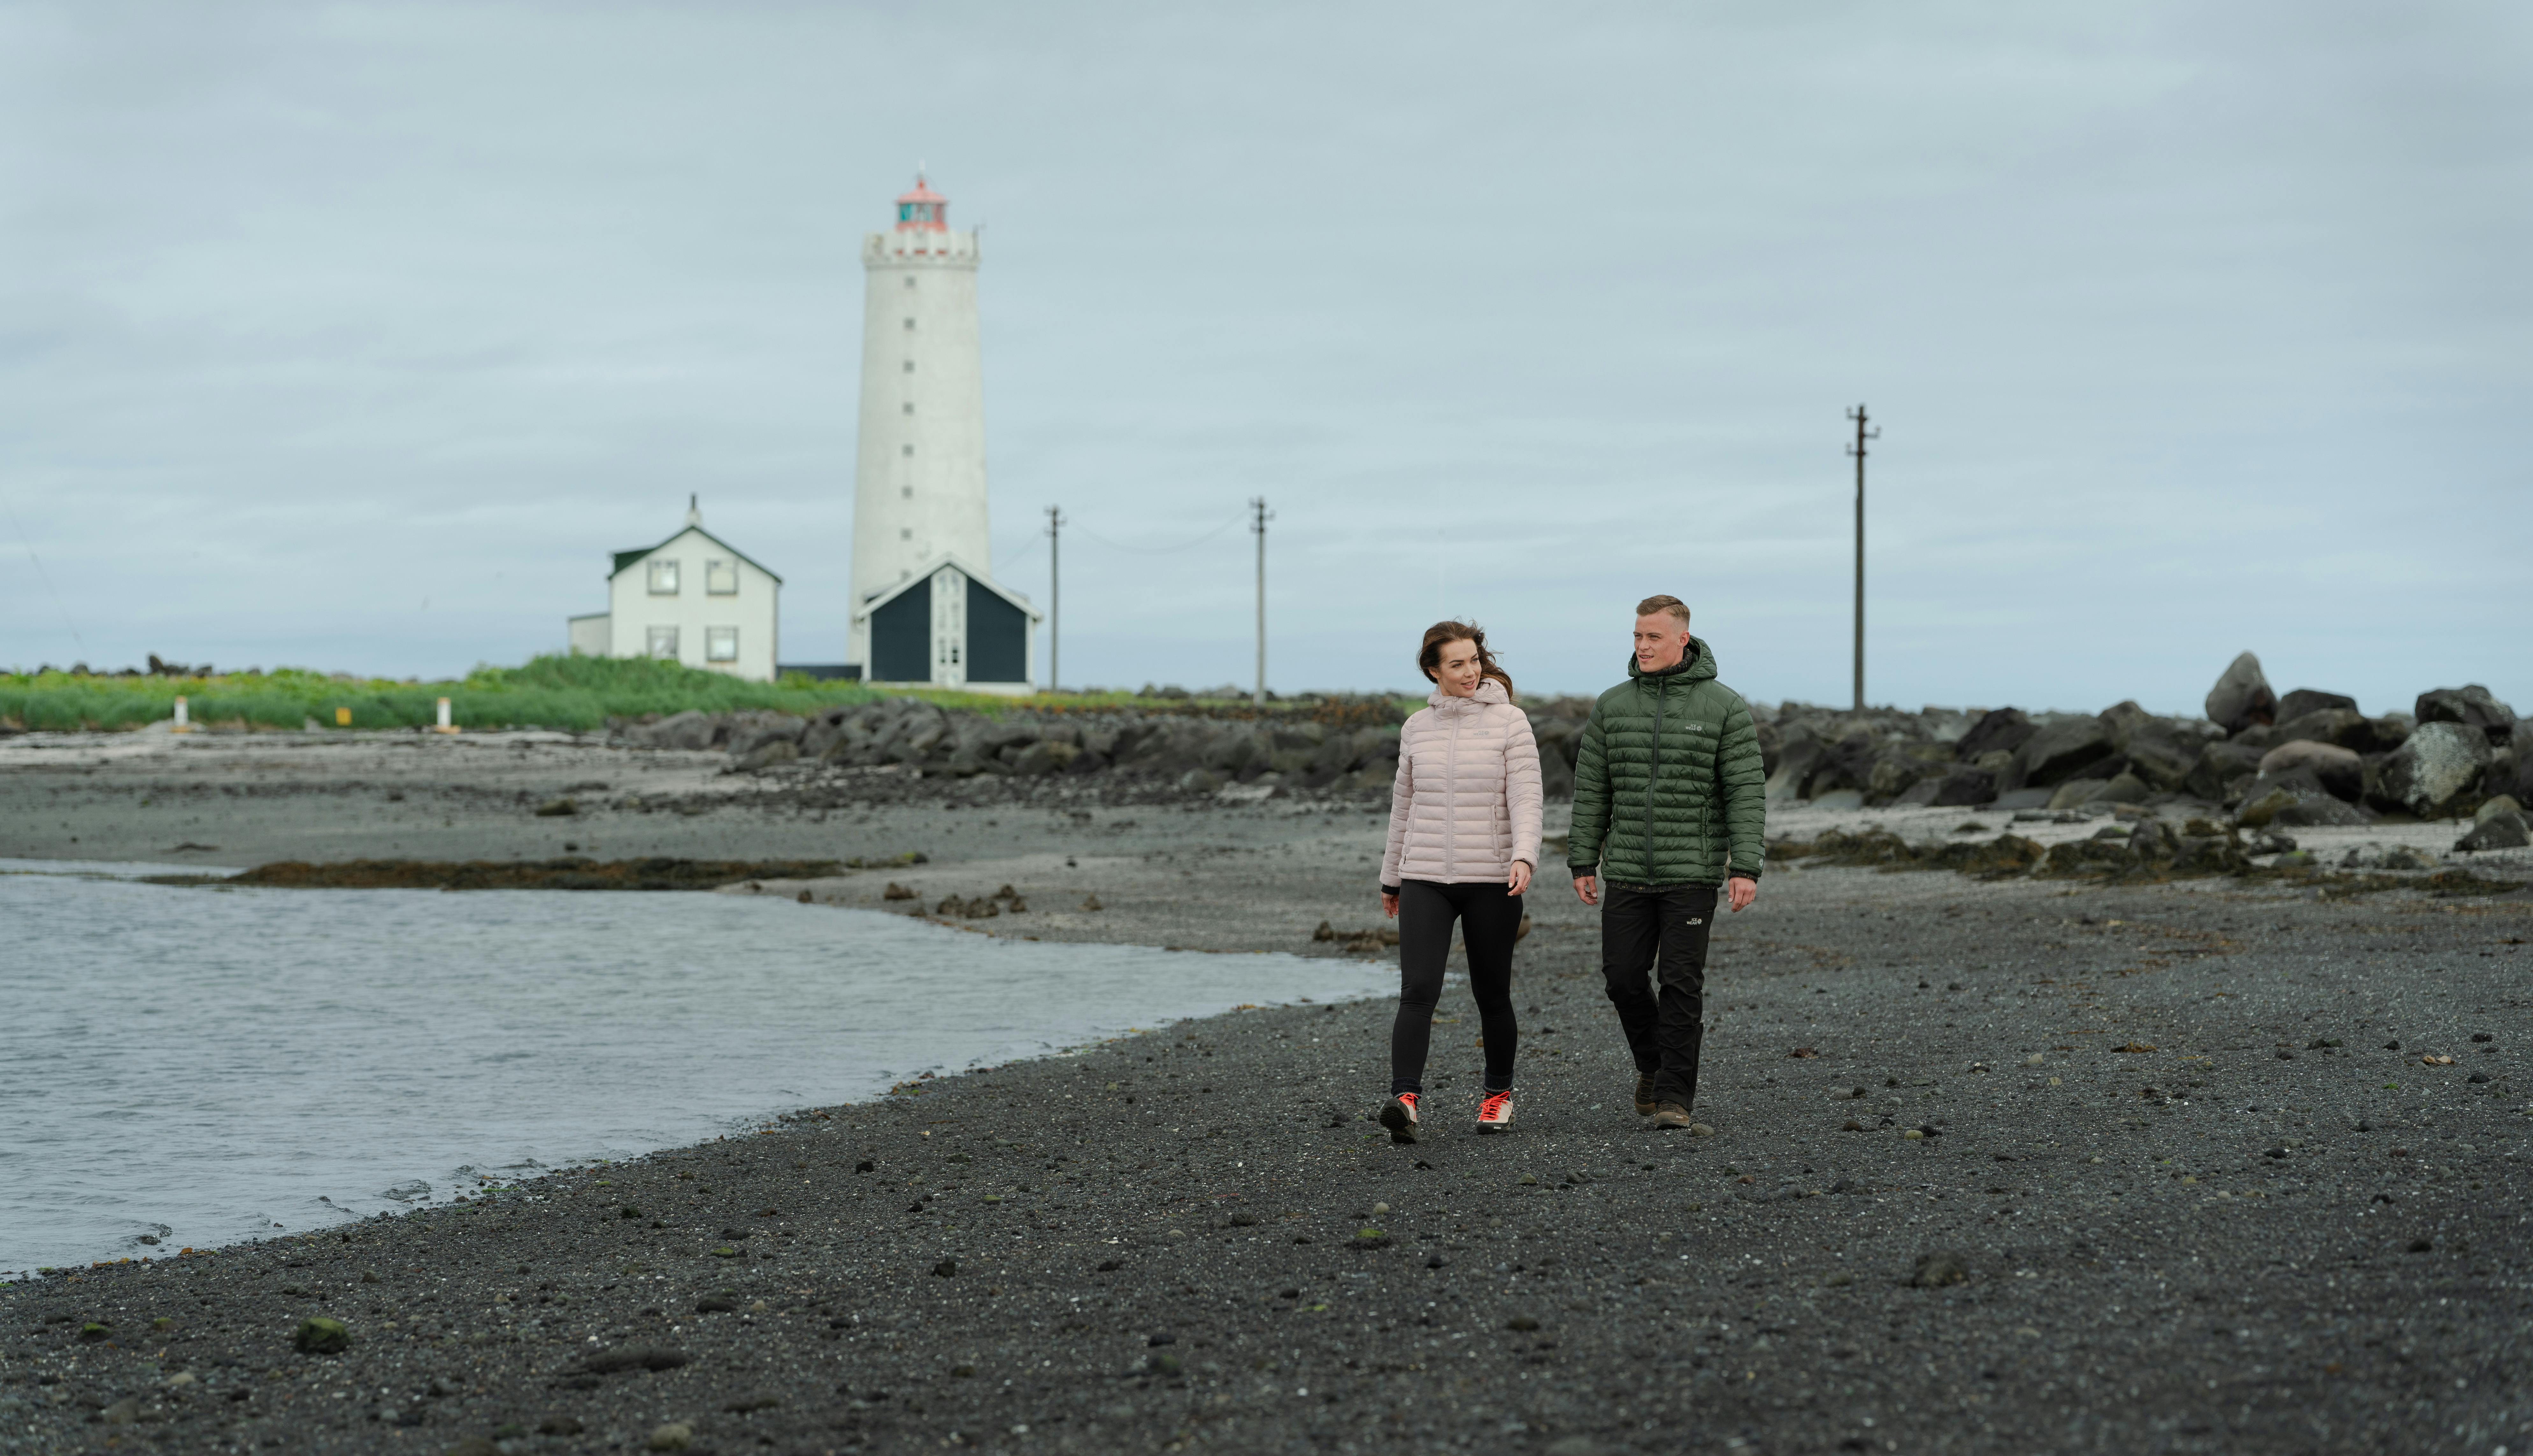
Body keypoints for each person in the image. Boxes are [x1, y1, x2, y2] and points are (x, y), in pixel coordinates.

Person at [1567, 595, 1766, 1131]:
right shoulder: (1612, 706)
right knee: (1623, 978)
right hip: (1627, 868)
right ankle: (1653, 1066)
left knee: (1681, 984)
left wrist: (1744, 867)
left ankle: (1675, 1098)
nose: (1642, 646)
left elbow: (1745, 791)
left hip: (1692, 872)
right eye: (1637, 636)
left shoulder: (1724, 707)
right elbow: (1592, 790)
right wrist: (1583, 858)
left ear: (1683, 639)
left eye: (1653, 637)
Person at [1376, 621, 1544, 1143]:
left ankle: (1498, 1096)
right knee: (1417, 990)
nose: (1470, 671)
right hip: (1424, 875)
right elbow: (1403, 805)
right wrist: (1391, 878)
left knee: (1491, 992)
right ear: (1433, 670)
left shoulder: (1510, 723)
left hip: (1493, 879)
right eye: (1457, 664)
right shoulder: (1415, 728)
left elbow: (1526, 798)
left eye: (1474, 660)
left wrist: (1525, 857)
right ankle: (1405, 1100)